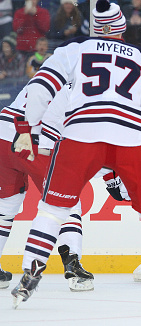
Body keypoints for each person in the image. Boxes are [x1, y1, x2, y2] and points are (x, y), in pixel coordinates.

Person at [10, 0, 141, 308]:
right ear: (122, 28)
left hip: (82, 132)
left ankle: (29, 276)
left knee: (52, 211)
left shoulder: (73, 49)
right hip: (135, 137)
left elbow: (40, 88)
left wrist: (25, 129)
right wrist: (140, 158)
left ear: (94, 28)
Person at [0, 87, 97, 292]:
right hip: (36, 141)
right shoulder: (86, 85)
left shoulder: (52, 71)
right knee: (67, 202)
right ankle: (73, 266)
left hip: (2, 134)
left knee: (5, 207)